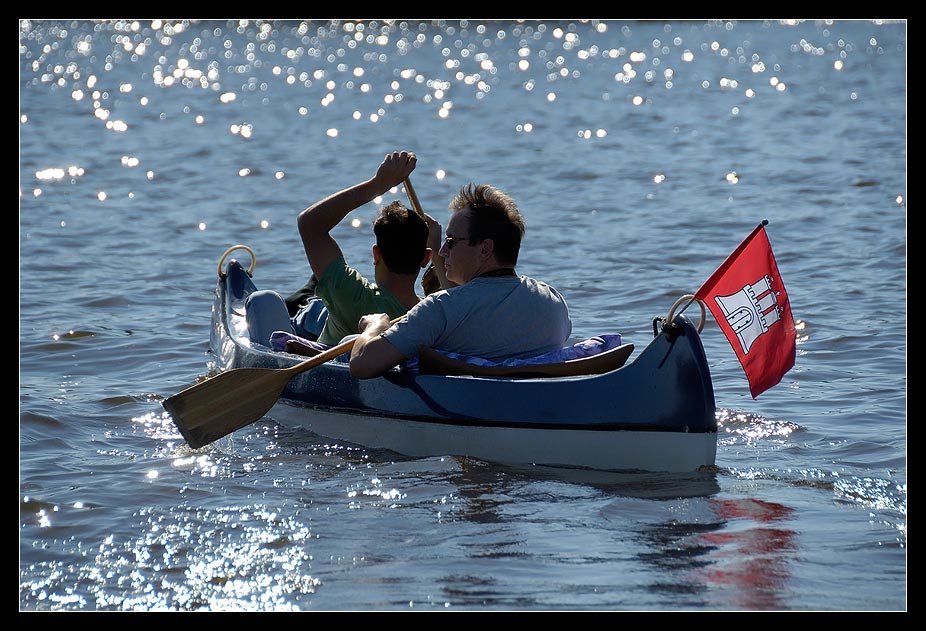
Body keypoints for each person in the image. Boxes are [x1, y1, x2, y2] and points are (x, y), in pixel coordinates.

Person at [349, 183, 572, 379]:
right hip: (536, 404)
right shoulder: (553, 302)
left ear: (485, 248)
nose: (443, 251)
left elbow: (362, 365)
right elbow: (480, 306)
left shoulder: (439, 309)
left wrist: (376, 325)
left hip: (470, 409)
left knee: (349, 342)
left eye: (451, 241)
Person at [245, 150, 434, 350]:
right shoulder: (433, 312)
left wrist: (378, 185)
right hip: (356, 342)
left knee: (263, 299)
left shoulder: (352, 294)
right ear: (426, 258)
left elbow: (309, 224)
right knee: (317, 309)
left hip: (328, 364)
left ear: (376, 254)